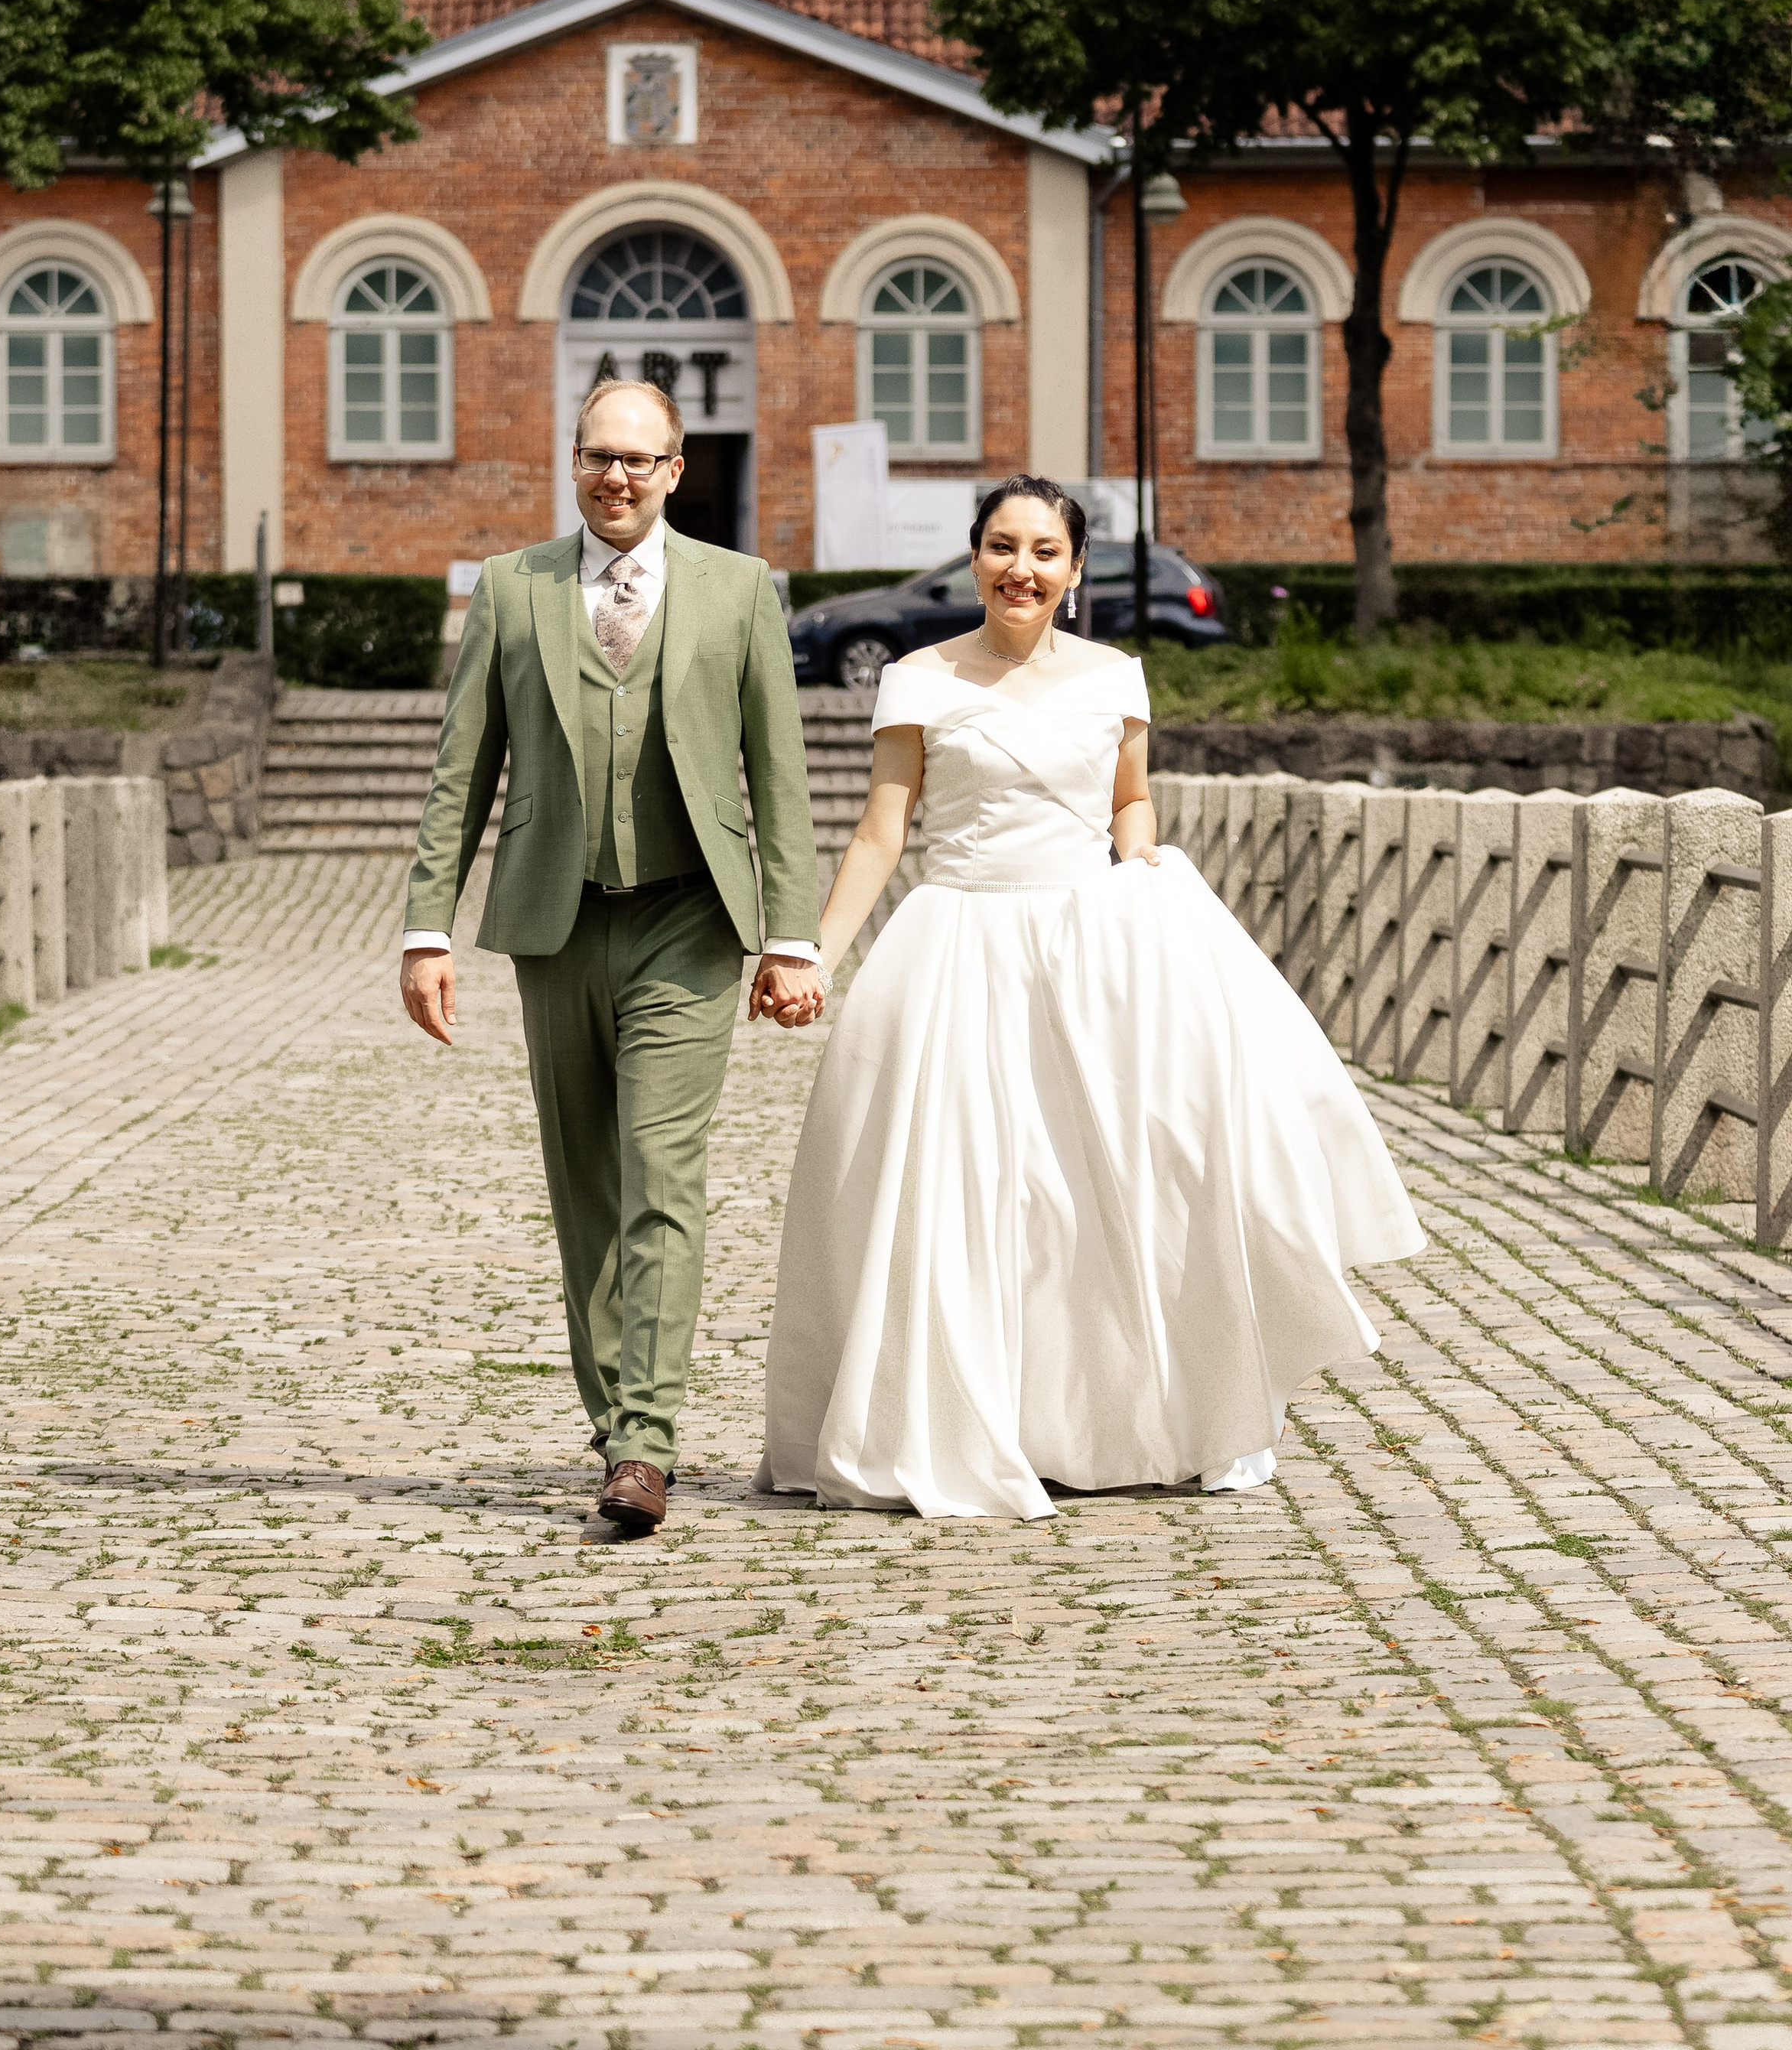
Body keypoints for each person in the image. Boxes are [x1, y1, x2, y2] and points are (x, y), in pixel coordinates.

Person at [758, 473, 1423, 1522]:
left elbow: (1131, 799)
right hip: (959, 946)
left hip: (1087, 948)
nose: (1021, 568)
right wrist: (815, 957)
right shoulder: (918, 681)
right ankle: (958, 1421)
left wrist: (1141, 863)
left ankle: (1100, 1420)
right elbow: (882, 830)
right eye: (1001, 546)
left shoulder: (1117, 678)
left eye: (1045, 552)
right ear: (975, 557)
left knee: (1093, 1193)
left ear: (1073, 573)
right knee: (960, 1193)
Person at [401, 378, 824, 1536]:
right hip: (556, 917)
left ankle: (646, 1444)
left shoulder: (739, 591)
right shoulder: (513, 588)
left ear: (678, 470)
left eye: (642, 459)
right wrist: (425, 928)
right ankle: (612, 1422)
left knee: (660, 1176)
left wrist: (793, 937)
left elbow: (777, 777)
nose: (619, 477)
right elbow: (462, 771)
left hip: (687, 920)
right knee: (583, 1184)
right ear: (574, 462)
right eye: (600, 456)